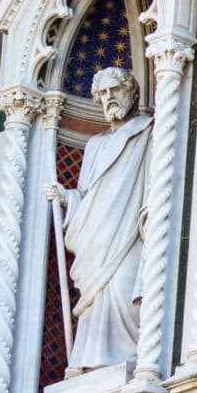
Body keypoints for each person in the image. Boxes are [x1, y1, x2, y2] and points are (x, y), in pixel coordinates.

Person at [45, 66, 149, 371]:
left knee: (122, 288)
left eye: (114, 91)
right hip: (97, 237)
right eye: (102, 94)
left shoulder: (148, 131)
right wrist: (67, 199)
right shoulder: (94, 145)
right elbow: (88, 196)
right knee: (96, 299)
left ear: (130, 92)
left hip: (130, 233)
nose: (109, 99)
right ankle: (90, 363)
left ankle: (132, 356)